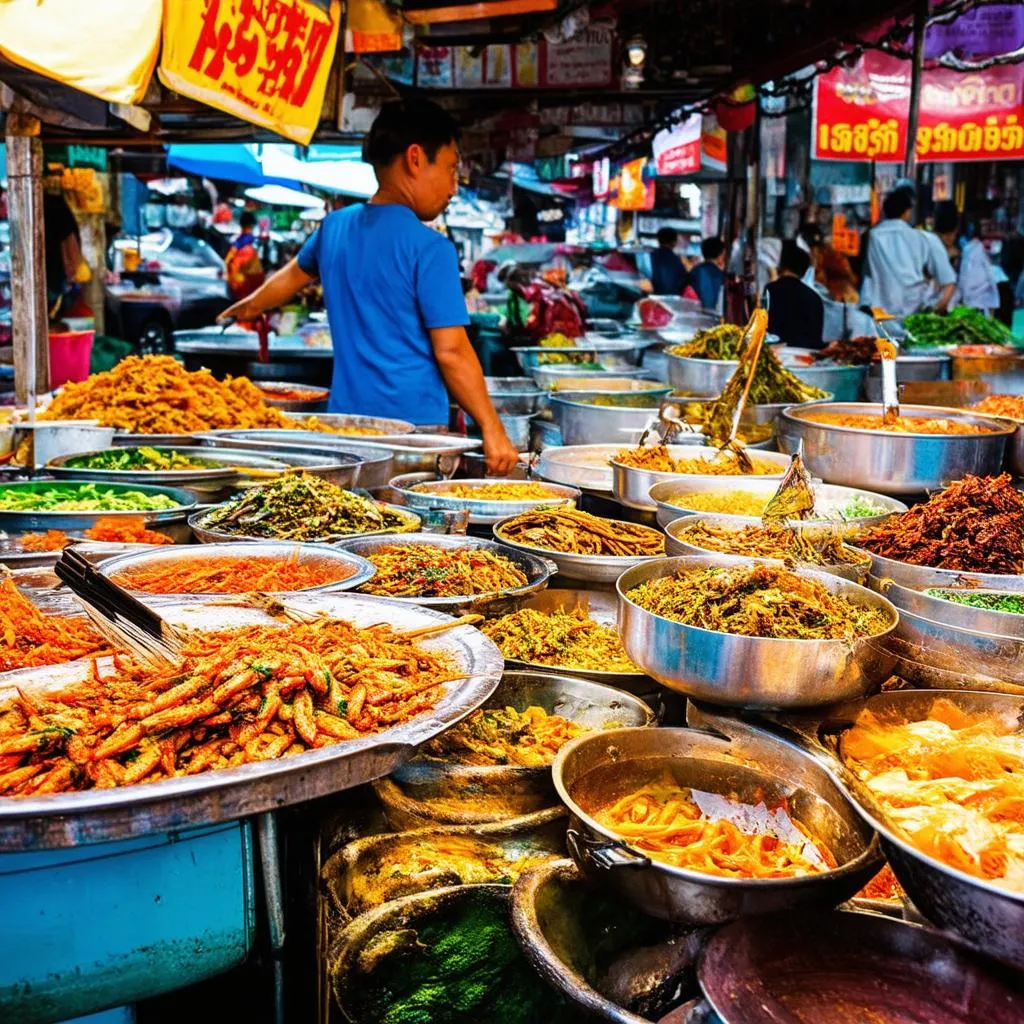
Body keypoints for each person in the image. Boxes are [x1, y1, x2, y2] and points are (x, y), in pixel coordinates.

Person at [220, 99, 517, 475]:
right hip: (413, 437)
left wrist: (245, 307)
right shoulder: (430, 248)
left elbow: (290, 278)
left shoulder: (334, 228)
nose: (454, 187)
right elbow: (453, 352)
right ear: (414, 159)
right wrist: (493, 428)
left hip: (343, 430)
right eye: (451, 168)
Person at [860, 187, 956, 317]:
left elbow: (868, 275)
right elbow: (948, 281)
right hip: (914, 314)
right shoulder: (923, 238)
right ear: (907, 212)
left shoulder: (873, 237)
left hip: (880, 317)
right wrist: (937, 310)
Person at [764, 240, 825, 350]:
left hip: (775, 354)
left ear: (782, 265)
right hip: (806, 358)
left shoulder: (770, 290)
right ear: (804, 270)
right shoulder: (814, 298)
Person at [224, 211, 266, 301]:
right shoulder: (248, 247)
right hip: (246, 291)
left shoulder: (236, 245)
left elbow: (228, 265)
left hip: (238, 290)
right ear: (252, 225)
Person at [688, 237, 726, 311]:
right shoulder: (720, 274)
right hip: (712, 316)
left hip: (694, 313)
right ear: (720, 255)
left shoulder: (694, 270)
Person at [648, 227, 688, 295]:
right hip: (672, 299)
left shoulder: (649, 256)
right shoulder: (677, 260)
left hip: (651, 297)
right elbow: (684, 282)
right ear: (674, 242)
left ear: (658, 240)